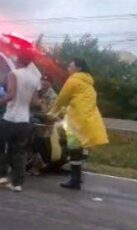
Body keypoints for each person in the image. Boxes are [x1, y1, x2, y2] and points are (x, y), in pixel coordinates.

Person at [47, 58, 109, 190]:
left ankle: (74, 180)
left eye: (70, 66)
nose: (68, 68)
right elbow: (77, 102)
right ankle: (77, 178)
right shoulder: (88, 84)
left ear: (78, 68)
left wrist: (52, 113)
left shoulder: (73, 80)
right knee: (79, 150)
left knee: (74, 149)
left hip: (76, 121)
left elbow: (62, 99)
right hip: (87, 120)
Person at [0, 55, 42, 192]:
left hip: (10, 118)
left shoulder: (14, 74)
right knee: (19, 152)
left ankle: (2, 175)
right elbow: (35, 102)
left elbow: (10, 95)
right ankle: (17, 183)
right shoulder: (35, 78)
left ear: (19, 61)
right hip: (24, 120)